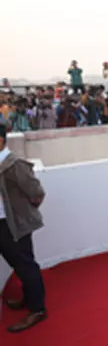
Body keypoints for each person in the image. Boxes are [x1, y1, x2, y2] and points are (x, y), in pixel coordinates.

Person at [0, 124, 48, 332]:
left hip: (13, 225)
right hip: (3, 223)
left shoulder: (15, 164)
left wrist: (22, 215)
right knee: (18, 264)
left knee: (25, 265)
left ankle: (37, 309)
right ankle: (28, 299)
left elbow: (36, 193)